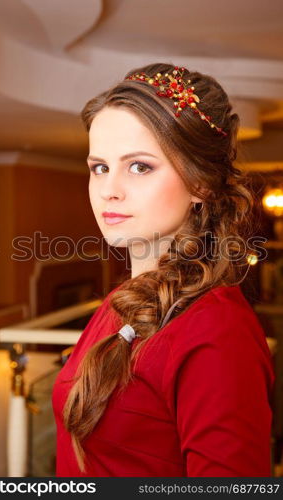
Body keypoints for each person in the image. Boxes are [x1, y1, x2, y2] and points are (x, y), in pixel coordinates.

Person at [52, 63, 275, 477]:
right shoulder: (124, 302)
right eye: (99, 166)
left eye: (139, 166)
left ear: (200, 184)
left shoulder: (216, 329)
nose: (108, 189)